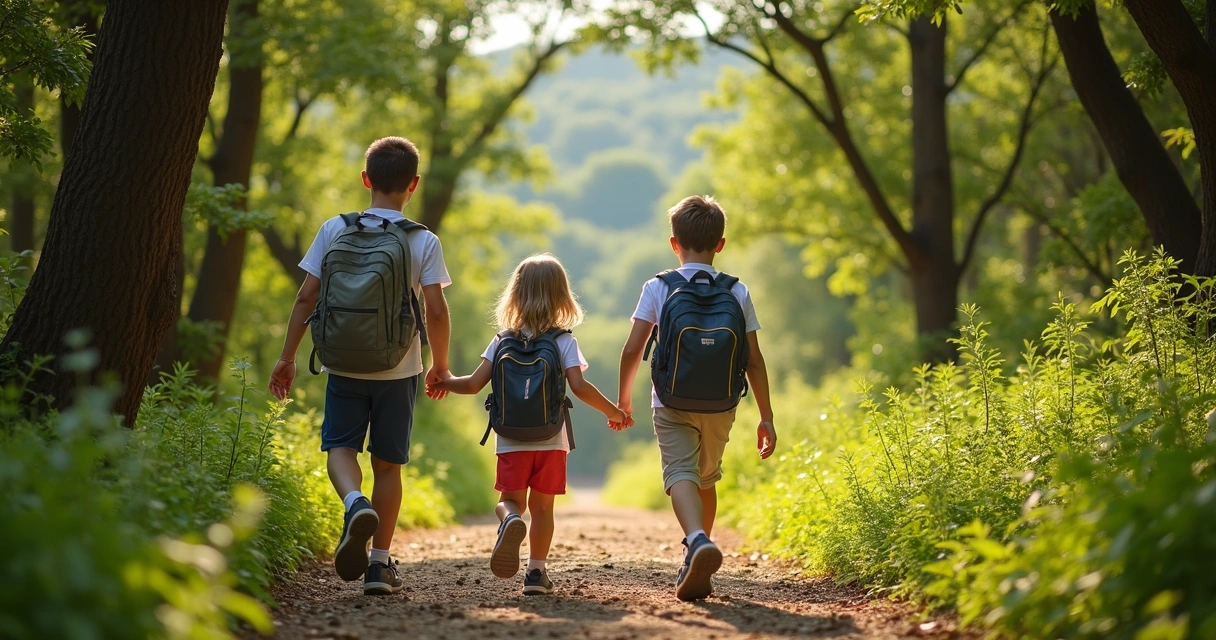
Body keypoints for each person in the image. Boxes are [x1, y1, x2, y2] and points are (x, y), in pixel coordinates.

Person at [268, 136, 453, 596]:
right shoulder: (421, 239)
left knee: (340, 449)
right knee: (389, 466)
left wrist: (287, 357)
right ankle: (378, 566)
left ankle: (354, 504)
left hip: (343, 363)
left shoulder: (335, 229)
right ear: (413, 185)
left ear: (365, 179)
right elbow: (436, 311)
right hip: (399, 366)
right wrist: (439, 365)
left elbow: (306, 296)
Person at [429, 254, 629, 595]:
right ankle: (536, 573)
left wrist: (444, 381)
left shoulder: (501, 341)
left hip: (510, 438)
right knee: (543, 509)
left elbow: (474, 384)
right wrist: (614, 412)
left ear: (515, 295)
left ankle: (509, 520)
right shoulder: (564, 341)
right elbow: (579, 388)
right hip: (551, 440)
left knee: (510, 500)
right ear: (562, 297)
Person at [616, 195, 776, 601]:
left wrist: (624, 399)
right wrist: (767, 417)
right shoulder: (737, 291)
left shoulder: (659, 287)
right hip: (722, 402)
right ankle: (698, 547)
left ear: (674, 243)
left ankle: (697, 540)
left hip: (670, 399)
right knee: (707, 477)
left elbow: (633, 349)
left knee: (679, 473)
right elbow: (754, 361)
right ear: (719, 244)